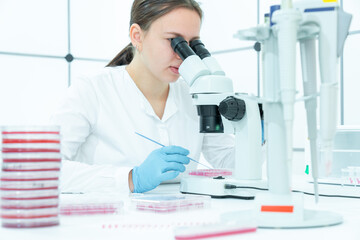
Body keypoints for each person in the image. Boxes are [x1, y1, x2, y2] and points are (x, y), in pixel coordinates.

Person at [51, 0, 235, 194]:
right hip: (111, 221)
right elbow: (45, 171)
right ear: (137, 36)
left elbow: (227, 160)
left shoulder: (194, 96)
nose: (184, 56)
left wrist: (257, 134)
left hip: (181, 220)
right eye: (174, 41)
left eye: (192, 45)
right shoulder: (92, 90)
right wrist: (131, 178)